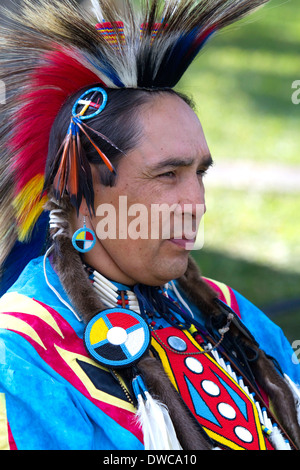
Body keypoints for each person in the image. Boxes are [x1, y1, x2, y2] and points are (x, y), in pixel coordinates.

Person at [0, 0, 299, 451]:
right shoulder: (22, 356)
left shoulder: (225, 310)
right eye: (167, 175)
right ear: (81, 194)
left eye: (200, 173)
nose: (196, 203)